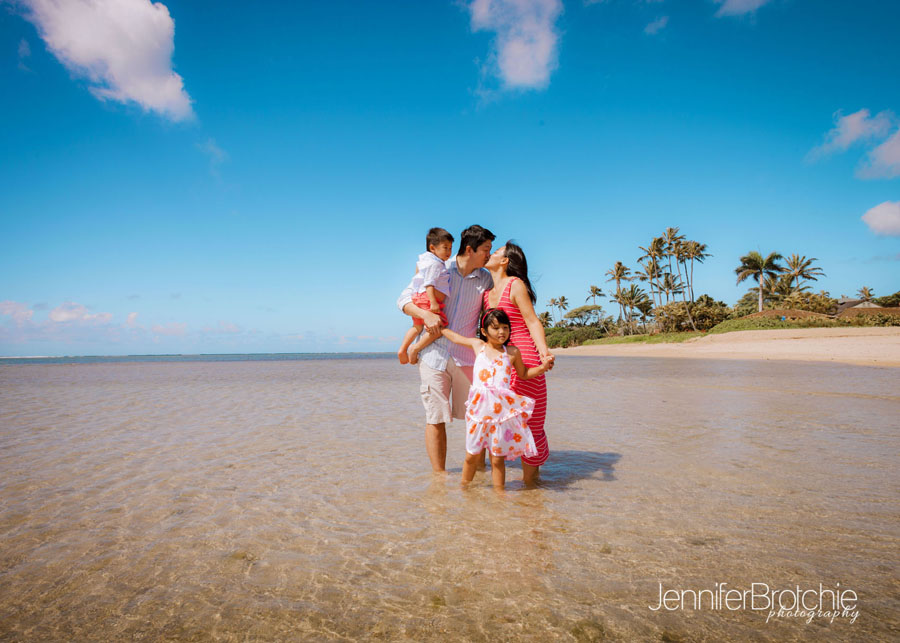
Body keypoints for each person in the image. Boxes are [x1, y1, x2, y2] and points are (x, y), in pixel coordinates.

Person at [397, 225, 495, 473]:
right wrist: (424, 315)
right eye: (486, 250)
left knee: (477, 418)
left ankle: (477, 474)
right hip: (434, 355)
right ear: (470, 249)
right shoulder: (439, 266)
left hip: (468, 358)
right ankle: (439, 480)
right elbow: (403, 300)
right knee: (435, 418)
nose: (489, 255)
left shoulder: (486, 278)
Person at [443, 309, 552, 488]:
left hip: (500, 415)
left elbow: (524, 374)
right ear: (484, 331)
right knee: (471, 455)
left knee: (497, 459)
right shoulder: (479, 346)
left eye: (505, 327)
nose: (501, 332)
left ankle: (500, 495)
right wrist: (438, 327)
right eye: (495, 328)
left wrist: (542, 368)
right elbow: (455, 338)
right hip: (478, 413)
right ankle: (465, 489)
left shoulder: (511, 352)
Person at [482, 241, 554, 486]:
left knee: (530, 421)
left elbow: (532, 321)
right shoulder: (486, 294)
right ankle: (507, 493)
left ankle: (532, 487)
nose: (490, 254)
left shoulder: (515, 284)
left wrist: (544, 353)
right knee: (503, 422)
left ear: (505, 261)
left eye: (496, 251)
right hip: (500, 364)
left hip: (525, 355)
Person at [397, 227, 455, 365]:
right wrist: (433, 302)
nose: (448, 252)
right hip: (427, 300)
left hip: (418, 298)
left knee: (417, 327)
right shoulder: (435, 264)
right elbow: (429, 284)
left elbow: (418, 278)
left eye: (450, 248)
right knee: (438, 328)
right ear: (432, 248)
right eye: (445, 248)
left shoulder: (424, 261)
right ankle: (414, 349)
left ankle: (402, 348)